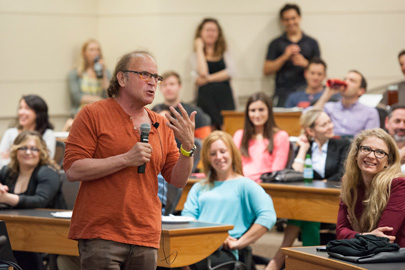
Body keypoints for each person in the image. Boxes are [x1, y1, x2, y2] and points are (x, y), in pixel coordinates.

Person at [63, 51, 196, 269]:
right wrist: (125, 159)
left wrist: (188, 148)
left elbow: (178, 180)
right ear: (122, 78)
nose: (153, 82)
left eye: (156, 77)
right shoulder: (92, 114)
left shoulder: (160, 124)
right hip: (102, 234)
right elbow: (73, 169)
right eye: (145, 74)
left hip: (145, 234)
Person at [265, 109, 350, 270]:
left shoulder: (342, 145)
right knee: (306, 212)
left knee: (306, 211)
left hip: (333, 201)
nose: (330, 126)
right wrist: (303, 148)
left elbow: (341, 175)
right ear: (311, 131)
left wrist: (320, 181)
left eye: (329, 122)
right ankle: (308, 264)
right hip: (310, 201)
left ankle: (280, 257)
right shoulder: (307, 147)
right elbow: (294, 173)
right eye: (324, 124)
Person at [182, 131, 276, 269]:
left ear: (232, 152)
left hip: (225, 252)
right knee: (165, 259)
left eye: (223, 151)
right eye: (213, 154)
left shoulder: (245, 185)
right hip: (198, 244)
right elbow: (187, 217)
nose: (218, 157)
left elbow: (268, 216)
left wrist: (239, 243)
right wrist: (210, 236)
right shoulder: (199, 187)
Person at [0, 130, 63, 270]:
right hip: (14, 230)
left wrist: (6, 198)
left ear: (41, 152)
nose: (28, 152)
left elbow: (40, 201)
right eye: (23, 148)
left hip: (45, 233)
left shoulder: (48, 172)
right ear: (16, 150)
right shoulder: (8, 171)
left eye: (34, 149)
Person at [336, 128, 405, 247]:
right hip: (363, 254)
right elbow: (340, 232)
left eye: (380, 152)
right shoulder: (350, 185)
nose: (371, 156)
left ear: (388, 161)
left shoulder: (398, 185)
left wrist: (357, 233)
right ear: (356, 154)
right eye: (366, 149)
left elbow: (384, 238)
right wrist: (364, 235)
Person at [263, 3, 320, 107]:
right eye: (287, 19)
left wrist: (306, 64)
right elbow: (266, 70)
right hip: (282, 92)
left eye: (293, 18)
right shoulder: (276, 43)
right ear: (282, 21)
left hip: (306, 93)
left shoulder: (311, 42)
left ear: (299, 18)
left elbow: (320, 70)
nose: (291, 22)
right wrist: (284, 57)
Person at [233, 92, 290, 182]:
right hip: (241, 184)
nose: (257, 115)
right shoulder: (239, 135)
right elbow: (234, 166)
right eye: (252, 110)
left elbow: (276, 171)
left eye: (261, 110)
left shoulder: (280, 136)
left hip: (266, 185)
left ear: (269, 111)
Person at [192, 18, 236, 130]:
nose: (210, 33)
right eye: (207, 30)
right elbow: (202, 72)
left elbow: (230, 72)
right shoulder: (195, 55)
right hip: (206, 99)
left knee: (227, 130)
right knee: (208, 130)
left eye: (213, 30)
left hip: (225, 97)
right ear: (200, 32)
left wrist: (208, 79)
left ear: (218, 33)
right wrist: (199, 48)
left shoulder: (225, 52)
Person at [312, 70, 380, 137]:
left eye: (352, 80)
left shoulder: (370, 113)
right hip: (330, 145)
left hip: (353, 146)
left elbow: (371, 139)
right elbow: (308, 119)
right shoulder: (329, 107)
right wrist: (327, 94)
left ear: (361, 91)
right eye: (345, 79)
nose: (346, 82)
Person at [0, 95, 55, 168]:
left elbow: (46, 160)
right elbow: (1, 160)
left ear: (38, 113)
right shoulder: (10, 133)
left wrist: (12, 157)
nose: (21, 112)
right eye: (20, 108)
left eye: (27, 108)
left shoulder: (47, 134)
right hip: (10, 175)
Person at [154, 71, 211, 139]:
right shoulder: (154, 111)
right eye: (164, 85)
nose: (168, 88)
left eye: (172, 84)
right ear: (160, 88)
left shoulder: (194, 112)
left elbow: (205, 140)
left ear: (179, 86)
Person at [68, 39, 112, 117]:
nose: (96, 53)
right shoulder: (76, 73)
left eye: (98, 50)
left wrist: (103, 73)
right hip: (81, 113)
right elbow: (77, 97)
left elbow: (109, 95)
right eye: (92, 50)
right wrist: (99, 100)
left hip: (101, 112)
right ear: (84, 53)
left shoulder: (106, 72)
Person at [385, 104, 405, 172]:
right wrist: (399, 160)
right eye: (397, 121)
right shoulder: (376, 149)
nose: (402, 126)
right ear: (387, 122)